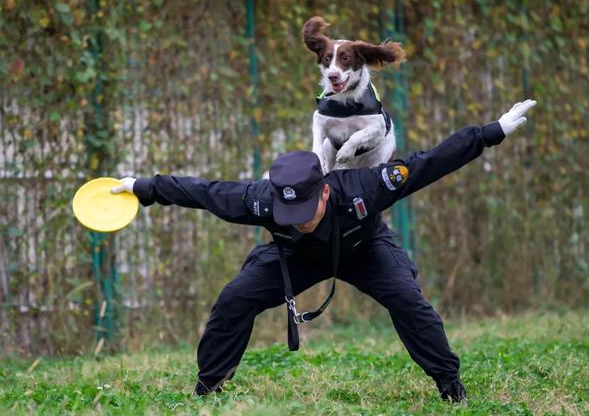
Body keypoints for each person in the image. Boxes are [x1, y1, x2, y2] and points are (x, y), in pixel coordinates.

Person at [112, 99, 537, 402]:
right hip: (296, 259)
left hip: (363, 246)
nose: (297, 217)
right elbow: (201, 191)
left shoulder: (364, 188)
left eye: (305, 208)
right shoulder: (260, 200)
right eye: (288, 210)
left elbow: (429, 163)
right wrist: (142, 188)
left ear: (325, 188)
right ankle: (209, 388)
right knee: (234, 299)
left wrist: (490, 133)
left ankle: (450, 385)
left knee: (408, 300)